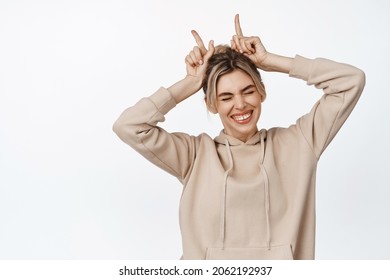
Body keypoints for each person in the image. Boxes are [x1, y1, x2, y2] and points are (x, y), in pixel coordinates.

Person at [113, 15, 365, 260]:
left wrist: (273, 61)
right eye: (226, 97)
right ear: (211, 104)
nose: (240, 104)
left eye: (248, 91)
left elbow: (351, 81)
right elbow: (129, 126)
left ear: (261, 92)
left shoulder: (299, 143)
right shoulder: (193, 155)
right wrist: (189, 83)